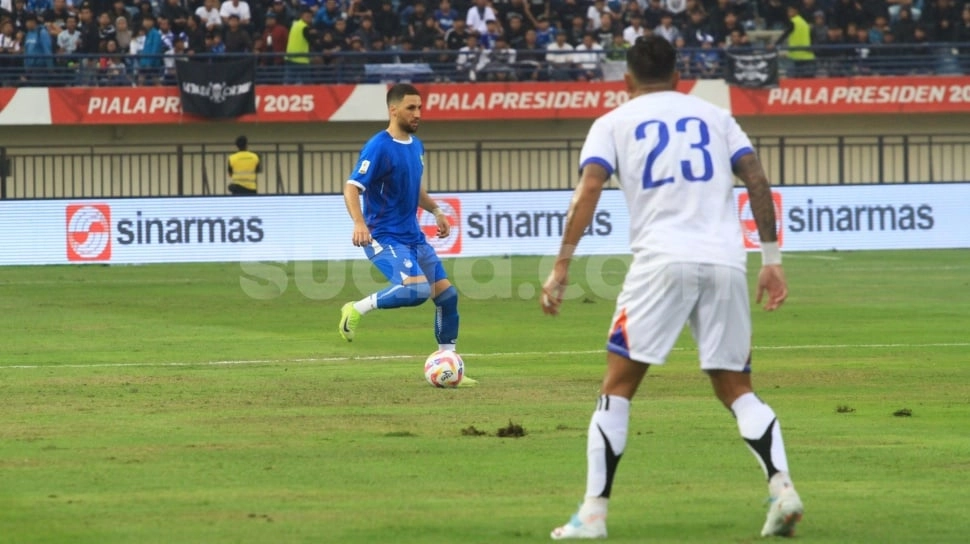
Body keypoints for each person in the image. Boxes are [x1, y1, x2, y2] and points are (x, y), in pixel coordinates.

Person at [541, 35, 803, 540]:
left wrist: (561, 265)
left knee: (617, 388)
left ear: (626, 79)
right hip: (725, 262)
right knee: (738, 389)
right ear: (679, 77)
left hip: (660, 262)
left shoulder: (612, 122)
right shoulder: (717, 117)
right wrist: (772, 260)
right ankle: (783, 488)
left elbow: (589, 188)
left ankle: (592, 514)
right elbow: (756, 179)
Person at [338, 84, 476, 386]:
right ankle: (356, 308)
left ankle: (449, 365)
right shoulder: (379, 146)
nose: (418, 113)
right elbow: (351, 186)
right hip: (384, 236)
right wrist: (359, 223)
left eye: (420, 108)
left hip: (413, 237)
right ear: (393, 110)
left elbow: (414, 187)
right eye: (411, 108)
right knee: (416, 290)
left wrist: (436, 210)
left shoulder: (416, 146)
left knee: (447, 297)